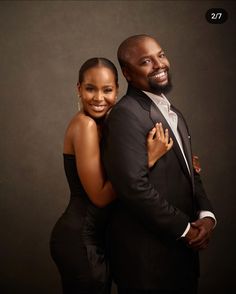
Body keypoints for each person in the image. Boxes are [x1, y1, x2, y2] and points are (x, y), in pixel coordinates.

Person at [102, 35, 216, 294]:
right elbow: (133, 187)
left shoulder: (172, 111)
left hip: (181, 258)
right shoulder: (126, 115)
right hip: (148, 264)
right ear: (128, 73)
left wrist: (206, 217)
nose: (159, 64)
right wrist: (185, 229)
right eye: (145, 61)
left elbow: (190, 171)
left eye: (161, 55)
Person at [50, 57, 173, 294]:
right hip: (80, 239)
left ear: (117, 90)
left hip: (98, 238)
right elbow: (100, 197)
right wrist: (147, 160)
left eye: (107, 90)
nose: (98, 98)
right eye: (90, 89)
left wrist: (183, 164)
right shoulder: (84, 125)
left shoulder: (107, 125)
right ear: (78, 89)